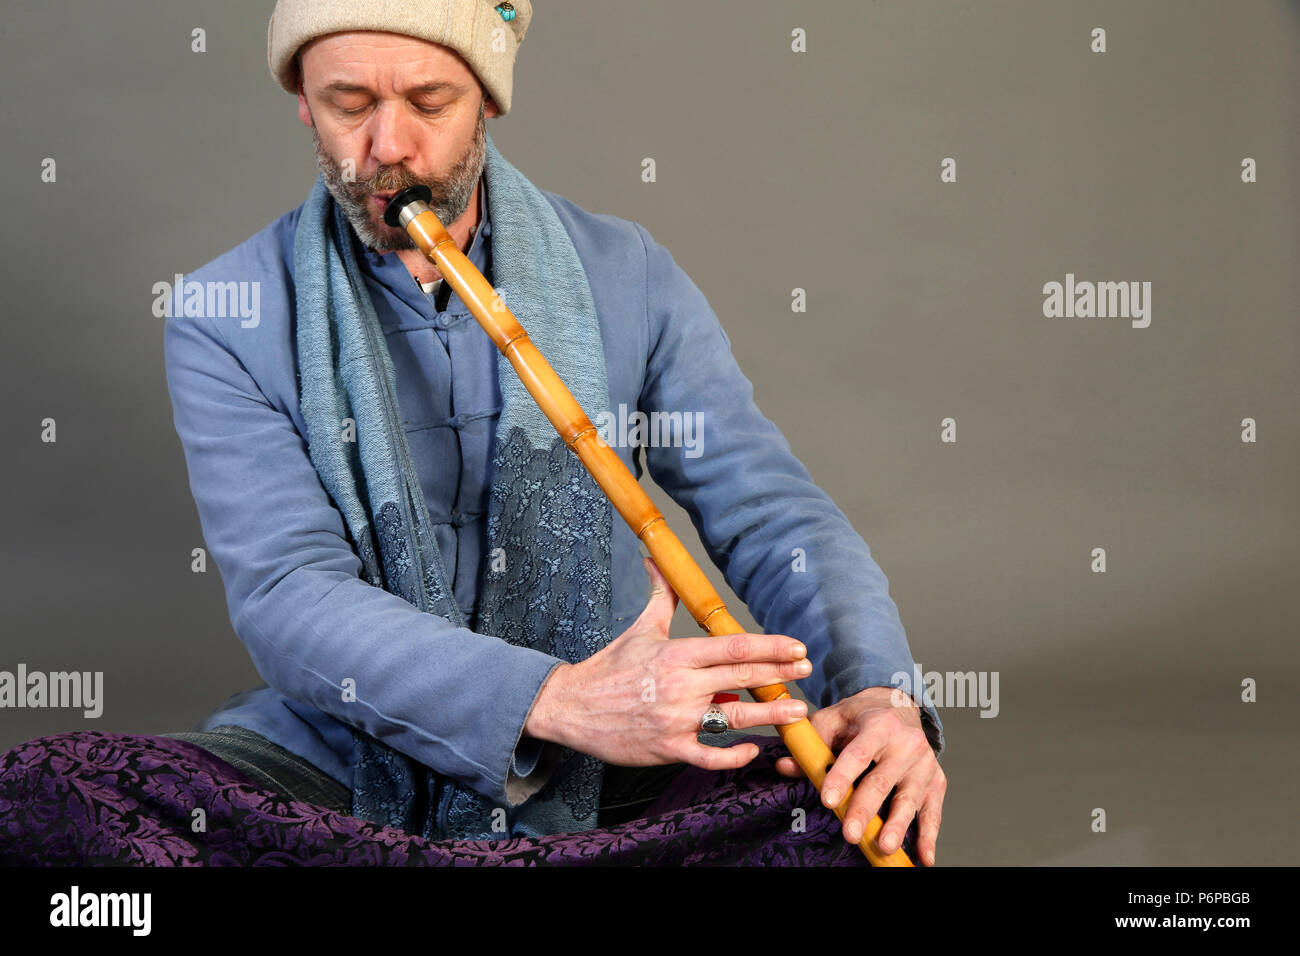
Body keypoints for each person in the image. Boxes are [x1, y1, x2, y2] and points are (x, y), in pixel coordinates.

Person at [0, 0, 946, 867]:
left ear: (488, 99)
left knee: (832, 811)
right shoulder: (223, 313)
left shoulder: (631, 273)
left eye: (429, 100)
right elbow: (289, 594)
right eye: (348, 103)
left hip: (634, 751)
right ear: (300, 101)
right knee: (60, 806)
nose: (387, 146)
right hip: (350, 757)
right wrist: (557, 702)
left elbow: (773, 513)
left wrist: (878, 691)